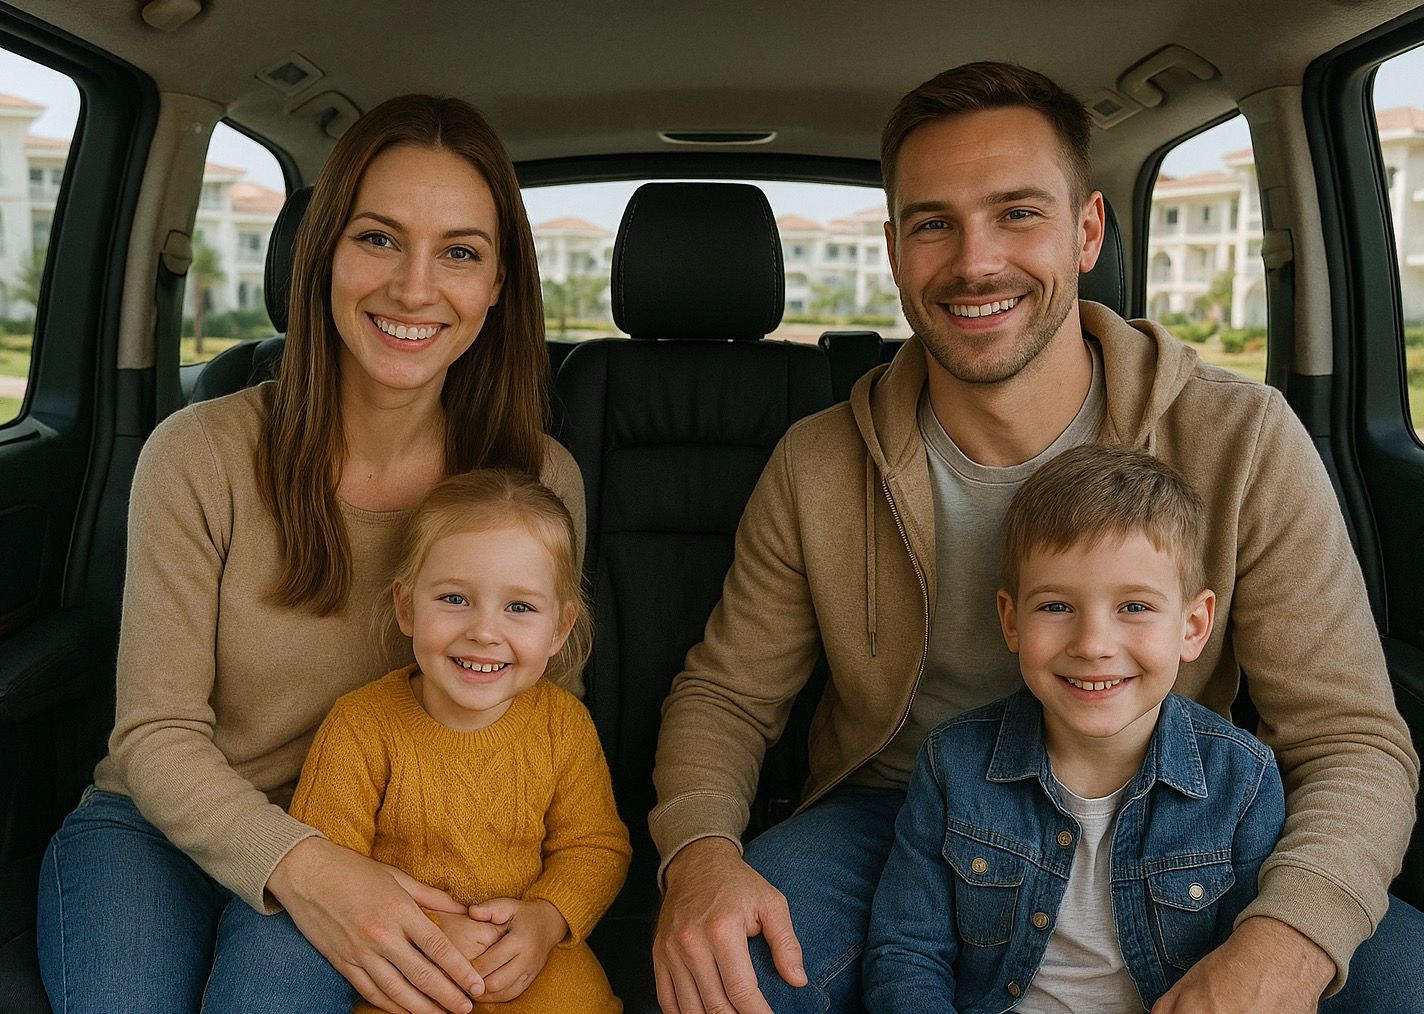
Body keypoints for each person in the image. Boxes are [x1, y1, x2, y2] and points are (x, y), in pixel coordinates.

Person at [650, 62, 1420, 1014]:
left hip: (1181, 813)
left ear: (1088, 229)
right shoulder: (817, 463)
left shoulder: (1242, 439)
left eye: (1018, 213)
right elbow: (726, 696)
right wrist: (698, 856)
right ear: (895, 250)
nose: (976, 261)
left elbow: (1353, 741)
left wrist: (1288, 941)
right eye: (934, 223)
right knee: (726, 979)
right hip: (896, 813)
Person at [36, 94, 586, 1014]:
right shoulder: (197, 454)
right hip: (160, 826)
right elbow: (156, 734)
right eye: (378, 238)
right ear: (322, 254)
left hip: (389, 850)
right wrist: (301, 864)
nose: (414, 288)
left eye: (459, 251)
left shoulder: (533, 481)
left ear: (497, 285)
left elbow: (537, 727)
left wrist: (541, 908)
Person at [862, 444, 1286, 1011]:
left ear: (1193, 625)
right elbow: (908, 954)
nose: (1092, 645)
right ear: (1012, 620)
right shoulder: (952, 765)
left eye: (1134, 607)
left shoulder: (1242, 781)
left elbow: (1247, 976)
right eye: (1056, 606)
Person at [289, 469, 630, 1014]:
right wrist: (428, 925)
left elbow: (594, 848)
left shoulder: (562, 726)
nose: (484, 631)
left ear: (560, 630)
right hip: (404, 955)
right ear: (407, 607)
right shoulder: (361, 725)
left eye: (519, 608)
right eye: (454, 598)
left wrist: (546, 918)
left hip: (531, 956)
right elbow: (330, 865)